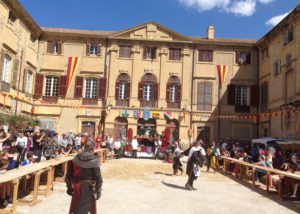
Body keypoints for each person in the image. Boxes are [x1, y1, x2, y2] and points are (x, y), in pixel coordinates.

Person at [66, 141, 103, 214]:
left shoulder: (76, 158)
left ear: (85, 148)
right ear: (93, 149)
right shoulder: (95, 160)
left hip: (77, 187)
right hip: (90, 188)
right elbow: (98, 178)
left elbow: (68, 175)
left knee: (77, 209)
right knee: (85, 209)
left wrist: (69, 187)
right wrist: (98, 190)